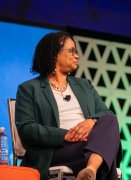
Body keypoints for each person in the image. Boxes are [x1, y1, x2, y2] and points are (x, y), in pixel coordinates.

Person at [15, 31, 122, 180]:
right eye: (72, 51)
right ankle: (92, 168)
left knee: (110, 119)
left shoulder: (84, 85)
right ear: (54, 54)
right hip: (56, 151)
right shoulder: (29, 89)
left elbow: (104, 113)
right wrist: (65, 135)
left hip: (88, 145)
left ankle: (90, 170)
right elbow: (27, 129)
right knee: (103, 154)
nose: (77, 56)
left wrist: (91, 122)